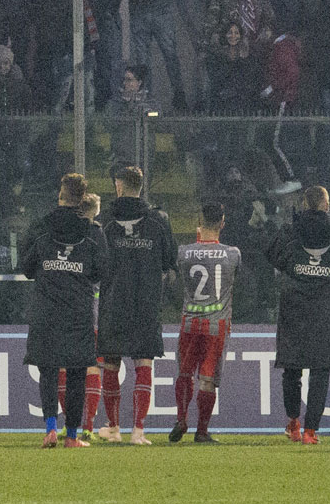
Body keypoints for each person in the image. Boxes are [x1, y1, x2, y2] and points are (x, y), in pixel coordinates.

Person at [19, 173, 107, 447]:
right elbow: (101, 270)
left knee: (48, 369)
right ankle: (71, 436)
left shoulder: (42, 227)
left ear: (60, 196)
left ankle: (50, 429)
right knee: (77, 372)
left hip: (46, 309)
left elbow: (26, 268)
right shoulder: (93, 232)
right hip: (78, 311)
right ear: (82, 199)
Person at [97, 165, 177, 445]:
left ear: (118, 185)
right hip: (146, 301)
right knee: (143, 362)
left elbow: (97, 261)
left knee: (110, 363)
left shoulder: (105, 220)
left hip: (113, 301)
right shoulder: (159, 220)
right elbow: (169, 260)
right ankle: (138, 431)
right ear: (141, 186)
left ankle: (114, 428)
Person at [265, 187, 330, 444]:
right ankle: (311, 431)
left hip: (293, 307)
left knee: (292, 369)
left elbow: (272, 256)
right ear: (326, 205)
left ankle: (293, 422)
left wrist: (295, 267)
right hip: (324, 309)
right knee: (320, 370)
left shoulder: (289, 231)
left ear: (304, 204)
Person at [170, 200, 242, 444]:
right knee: (207, 378)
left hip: (190, 321)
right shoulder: (233, 253)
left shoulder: (183, 252)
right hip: (217, 323)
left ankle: (181, 419)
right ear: (222, 223)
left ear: (199, 221)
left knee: (184, 372)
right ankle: (201, 431)